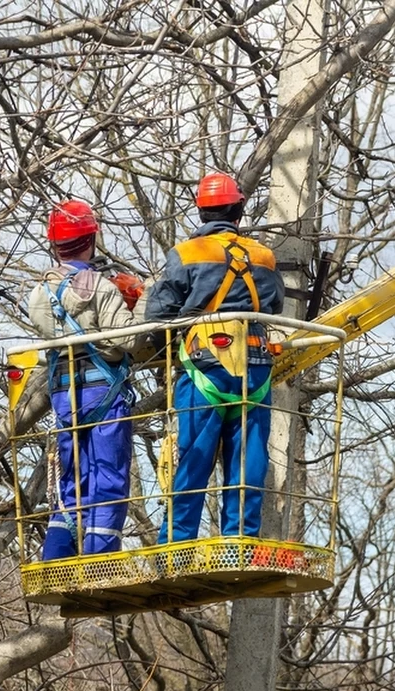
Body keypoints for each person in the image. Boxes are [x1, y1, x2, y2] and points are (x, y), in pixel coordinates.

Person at [144, 172, 285, 542]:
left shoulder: (187, 254)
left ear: (201, 211)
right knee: (248, 459)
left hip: (205, 366)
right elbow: (274, 305)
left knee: (193, 456)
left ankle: (176, 542)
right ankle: (240, 537)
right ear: (239, 208)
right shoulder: (264, 257)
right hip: (255, 370)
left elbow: (158, 316)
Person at [27, 199, 142, 560]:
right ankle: (99, 563)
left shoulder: (39, 294)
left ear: (54, 244)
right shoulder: (101, 287)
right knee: (109, 479)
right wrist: (139, 303)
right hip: (103, 391)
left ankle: (56, 557)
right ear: (92, 237)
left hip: (64, 395)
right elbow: (126, 341)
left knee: (73, 482)